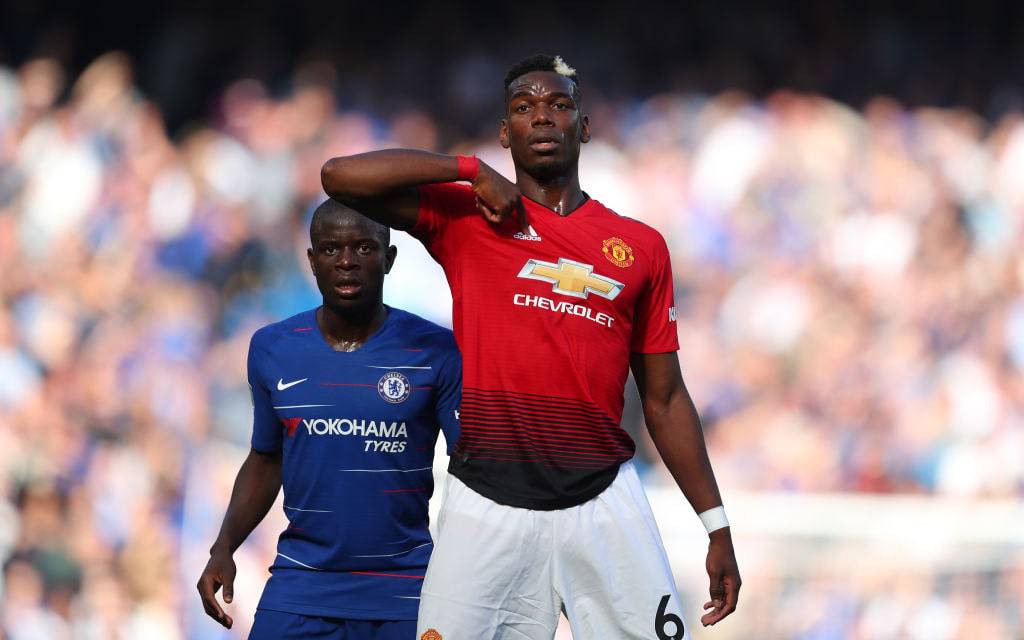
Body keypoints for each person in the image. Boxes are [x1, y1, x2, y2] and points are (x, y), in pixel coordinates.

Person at [321, 54, 740, 639]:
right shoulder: (466, 218)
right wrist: (467, 169)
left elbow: (665, 399)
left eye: (558, 105)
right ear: (505, 133)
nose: (541, 116)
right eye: (523, 107)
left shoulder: (640, 248)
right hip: (484, 503)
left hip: (604, 501)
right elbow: (338, 176)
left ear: (584, 127)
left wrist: (715, 525)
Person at [196, 200, 462, 639]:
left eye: (363, 248)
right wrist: (224, 547)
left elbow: (472, 466)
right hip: (301, 587)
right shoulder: (273, 347)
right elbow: (266, 458)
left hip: (404, 592)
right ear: (311, 261)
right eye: (330, 249)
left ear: (389, 258)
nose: (346, 261)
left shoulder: (435, 350)